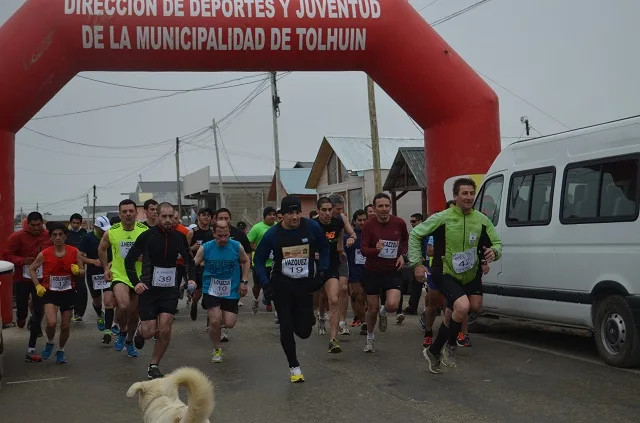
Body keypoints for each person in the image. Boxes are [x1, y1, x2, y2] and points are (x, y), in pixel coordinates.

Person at [410, 178, 502, 374]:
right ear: (455, 196)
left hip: (470, 274)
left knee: (469, 309)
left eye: (471, 193)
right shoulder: (443, 217)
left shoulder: (481, 219)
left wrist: (494, 252)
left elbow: (497, 243)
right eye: (464, 193)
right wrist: (417, 263)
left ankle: (434, 350)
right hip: (445, 272)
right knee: (463, 306)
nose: (469, 197)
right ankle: (451, 345)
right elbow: (415, 234)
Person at [253, 196, 330, 383]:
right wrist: (265, 283)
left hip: (304, 284)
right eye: (290, 213)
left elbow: (325, 249)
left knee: (304, 331)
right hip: (282, 284)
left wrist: (321, 273)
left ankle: (303, 318)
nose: (294, 217)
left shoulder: (311, 227)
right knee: (286, 327)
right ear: (282, 215)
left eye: (297, 212)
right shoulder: (272, 234)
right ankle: (294, 366)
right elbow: (259, 261)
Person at [125, 202, 196, 380]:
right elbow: (129, 261)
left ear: (174, 217)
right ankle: (140, 332)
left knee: (164, 328)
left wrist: (191, 279)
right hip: (149, 289)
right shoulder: (147, 237)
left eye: (170, 217)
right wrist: (136, 283)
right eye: (163, 216)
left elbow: (189, 261)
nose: (167, 220)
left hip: (170, 290)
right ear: (156, 216)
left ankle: (153, 365)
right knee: (150, 332)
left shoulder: (180, 237)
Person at [194, 220, 250, 363]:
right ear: (214, 234)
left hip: (231, 289)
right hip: (211, 288)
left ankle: (220, 326)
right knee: (215, 321)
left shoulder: (236, 246)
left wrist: (244, 281)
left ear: (229, 233)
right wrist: (191, 280)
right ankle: (216, 349)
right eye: (219, 236)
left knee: (229, 323)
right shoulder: (205, 248)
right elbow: (193, 264)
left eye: (225, 235)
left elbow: (246, 260)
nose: (223, 239)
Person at [98, 199, 148, 357]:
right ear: (120, 214)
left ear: (136, 213)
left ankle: (129, 340)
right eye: (124, 212)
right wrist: (106, 268)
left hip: (138, 277)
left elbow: (153, 251)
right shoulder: (112, 232)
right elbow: (101, 249)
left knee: (134, 313)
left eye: (130, 211)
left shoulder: (144, 231)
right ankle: (122, 331)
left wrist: (144, 257)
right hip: (120, 274)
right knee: (123, 306)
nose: (128, 214)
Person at [359, 193, 408, 353]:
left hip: (392, 270)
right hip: (372, 271)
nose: (384, 209)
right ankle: (370, 338)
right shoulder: (368, 225)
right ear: (374, 208)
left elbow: (406, 241)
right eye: (380, 206)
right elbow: (364, 250)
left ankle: (384, 311)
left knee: (393, 305)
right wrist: (376, 250)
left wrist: (401, 254)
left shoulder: (399, 223)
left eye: (387, 205)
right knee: (371, 309)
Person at [29, 223, 84, 364]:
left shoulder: (74, 252)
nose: (58, 237)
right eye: (55, 235)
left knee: (65, 325)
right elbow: (32, 269)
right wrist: (37, 286)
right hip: (50, 292)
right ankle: (50, 342)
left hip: (68, 292)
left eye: (61, 234)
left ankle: (60, 350)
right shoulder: (45, 253)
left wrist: (78, 271)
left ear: (66, 236)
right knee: (52, 323)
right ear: (51, 238)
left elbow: (83, 271)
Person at [4, 211, 51, 349]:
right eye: (33, 225)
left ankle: (35, 332)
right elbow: (7, 255)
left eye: (39, 225)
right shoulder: (17, 237)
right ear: (28, 224)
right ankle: (21, 316)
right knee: (22, 305)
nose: (36, 228)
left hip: (41, 278)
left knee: (38, 307)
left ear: (42, 223)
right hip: (22, 278)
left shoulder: (49, 236)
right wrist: (22, 261)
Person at [313, 197, 347, 352]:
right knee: (316, 299)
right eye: (324, 210)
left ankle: (333, 340)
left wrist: (342, 249)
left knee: (334, 299)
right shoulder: (311, 225)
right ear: (318, 211)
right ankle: (318, 318)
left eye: (329, 210)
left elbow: (344, 235)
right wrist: (312, 254)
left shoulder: (337, 223)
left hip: (331, 265)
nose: (327, 213)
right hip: (312, 267)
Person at [78, 216, 117, 343]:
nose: (104, 232)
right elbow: (79, 256)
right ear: (95, 227)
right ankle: (100, 315)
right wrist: (92, 261)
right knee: (97, 302)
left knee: (109, 302)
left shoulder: (111, 236)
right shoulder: (87, 238)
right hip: (93, 274)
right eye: (102, 230)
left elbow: (118, 253)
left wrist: (111, 263)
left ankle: (108, 330)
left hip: (108, 272)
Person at [246, 206, 277, 314]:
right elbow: (248, 242)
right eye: (269, 214)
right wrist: (260, 250)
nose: (272, 216)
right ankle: (256, 300)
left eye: (274, 214)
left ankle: (268, 301)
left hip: (274, 262)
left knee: (272, 284)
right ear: (264, 216)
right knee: (257, 286)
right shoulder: (257, 228)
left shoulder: (278, 226)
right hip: (260, 262)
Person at [186, 208, 214, 321]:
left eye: (208, 215)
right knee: (197, 294)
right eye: (203, 215)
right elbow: (185, 250)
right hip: (196, 267)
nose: (206, 217)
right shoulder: (192, 232)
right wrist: (192, 248)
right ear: (198, 217)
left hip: (210, 266)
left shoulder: (214, 232)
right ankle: (194, 304)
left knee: (211, 295)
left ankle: (210, 320)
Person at [344, 209, 368, 333]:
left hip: (370, 271)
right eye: (359, 220)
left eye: (364, 220)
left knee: (370, 298)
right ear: (354, 222)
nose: (362, 222)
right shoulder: (348, 236)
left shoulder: (372, 234)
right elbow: (340, 254)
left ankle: (371, 317)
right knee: (358, 296)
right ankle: (364, 323)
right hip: (355, 272)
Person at [66, 213, 88, 322]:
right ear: (70, 223)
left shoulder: (84, 233)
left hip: (80, 266)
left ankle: (78, 313)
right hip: (66, 266)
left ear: (80, 223)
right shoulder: (65, 234)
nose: (75, 225)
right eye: (73, 223)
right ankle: (66, 310)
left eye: (77, 223)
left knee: (81, 289)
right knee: (68, 289)